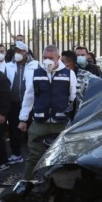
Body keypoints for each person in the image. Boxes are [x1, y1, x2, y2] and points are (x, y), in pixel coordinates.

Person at [18, 45, 77, 180]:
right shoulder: (35, 73)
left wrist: (75, 119)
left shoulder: (69, 74)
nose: (47, 60)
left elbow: (74, 99)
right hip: (40, 121)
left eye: (51, 58)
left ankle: (59, 187)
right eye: (45, 57)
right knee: (34, 156)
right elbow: (29, 97)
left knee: (62, 158)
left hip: (61, 123)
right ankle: (27, 184)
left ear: (58, 58)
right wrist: (22, 118)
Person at [0, 43, 24, 165]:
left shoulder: (9, 66)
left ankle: (16, 154)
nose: (0, 53)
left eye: (2, 51)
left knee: (14, 129)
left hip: (12, 103)